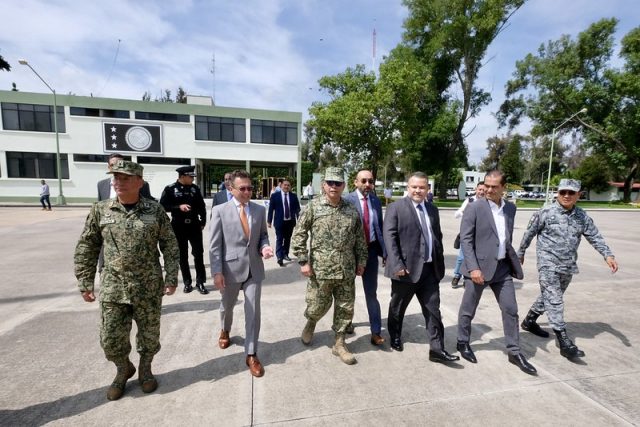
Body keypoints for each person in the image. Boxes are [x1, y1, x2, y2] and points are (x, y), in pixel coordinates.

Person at [74, 160, 179, 401]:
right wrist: (85, 280)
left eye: (125, 178)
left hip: (148, 286)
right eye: (116, 177)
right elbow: (87, 246)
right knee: (110, 340)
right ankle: (123, 368)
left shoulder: (154, 210)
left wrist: (171, 276)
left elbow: (170, 245)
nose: (118, 182)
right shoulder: (101, 210)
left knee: (149, 337)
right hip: (113, 286)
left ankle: (145, 369)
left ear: (139, 182)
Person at [517, 179, 618, 359]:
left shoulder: (581, 216)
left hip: (568, 264)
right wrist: (520, 253)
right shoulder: (546, 212)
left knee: (550, 295)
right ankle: (564, 341)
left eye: (571, 193)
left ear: (579, 195)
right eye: (563, 192)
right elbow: (529, 233)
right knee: (555, 300)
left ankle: (529, 320)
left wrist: (607, 255)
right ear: (557, 193)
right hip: (547, 263)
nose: (566, 196)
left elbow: (594, 236)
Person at [456, 170, 536, 375]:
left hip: (502, 268)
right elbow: (466, 240)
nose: (489, 190)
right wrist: (473, 268)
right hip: (478, 269)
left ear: (503, 187)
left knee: (511, 309)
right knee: (468, 309)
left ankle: (514, 351)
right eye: (487, 185)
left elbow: (505, 237)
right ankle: (462, 342)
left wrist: (513, 257)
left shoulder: (510, 208)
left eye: (494, 186)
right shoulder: (474, 207)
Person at [291, 167, 368, 365]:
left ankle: (339, 343)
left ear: (344, 186)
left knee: (345, 307)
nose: (334, 186)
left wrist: (362, 261)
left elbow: (360, 238)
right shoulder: (313, 207)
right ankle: (311, 322)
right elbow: (299, 234)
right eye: (330, 183)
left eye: (338, 183)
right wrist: (303, 261)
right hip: (321, 269)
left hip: (346, 269)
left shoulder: (351, 209)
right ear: (324, 185)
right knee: (317, 305)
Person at [383, 172, 459, 364]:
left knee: (433, 310)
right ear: (408, 187)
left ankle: (437, 349)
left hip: (430, 270)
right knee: (398, 307)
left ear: (427, 189)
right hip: (405, 271)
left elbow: (437, 236)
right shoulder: (395, 208)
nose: (418, 190)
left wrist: (439, 260)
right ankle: (395, 336)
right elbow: (389, 237)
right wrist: (397, 264)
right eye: (414, 187)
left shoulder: (432, 209)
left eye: (422, 187)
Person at [209, 169, 274, 377]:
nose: (247, 192)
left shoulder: (259, 209)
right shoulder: (220, 210)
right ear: (231, 189)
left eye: (250, 188)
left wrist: (265, 247)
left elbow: (263, 235)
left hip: (254, 269)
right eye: (242, 188)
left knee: (253, 311)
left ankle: (251, 353)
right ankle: (225, 329)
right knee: (227, 306)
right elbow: (215, 246)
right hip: (229, 270)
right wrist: (217, 272)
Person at [344, 170, 387, 346]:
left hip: (371, 252)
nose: (368, 184)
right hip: (350, 253)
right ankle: (346, 323)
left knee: (371, 293)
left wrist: (385, 252)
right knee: (346, 293)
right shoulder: (346, 200)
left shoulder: (375, 201)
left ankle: (375, 331)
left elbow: (380, 228)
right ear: (356, 182)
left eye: (370, 181)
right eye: (364, 181)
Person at [160, 166, 209, 295]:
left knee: (198, 254)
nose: (192, 179)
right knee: (182, 255)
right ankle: (187, 282)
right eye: (190, 176)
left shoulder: (195, 189)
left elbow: (201, 206)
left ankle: (200, 282)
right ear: (182, 176)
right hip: (178, 226)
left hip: (194, 225)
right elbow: (163, 206)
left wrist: (203, 221)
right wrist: (178, 207)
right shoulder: (170, 189)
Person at [451, 181, 486, 288]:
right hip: (467, 235)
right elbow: (457, 214)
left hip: (481, 236)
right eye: (480, 189)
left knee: (476, 258)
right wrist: (464, 212)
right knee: (462, 257)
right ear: (476, 189)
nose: (481, 192)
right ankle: (457, 276)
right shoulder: (469, 201)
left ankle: (467, 278)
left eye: (484, 190)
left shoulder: (488, 202)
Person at [267, 179, 301, 266]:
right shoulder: (275, 196)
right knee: (279, 239)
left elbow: (297, 209)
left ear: (290, 187)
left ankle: (285, 254)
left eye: (288, 185)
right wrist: (269, 221)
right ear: (281, 185)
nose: (286, 186)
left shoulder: (293, 196)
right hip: (279, 222)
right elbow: (271, 209)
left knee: (287, 239)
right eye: (285, 185)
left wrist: (299, 220)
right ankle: (279, 257)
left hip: (290, 222)